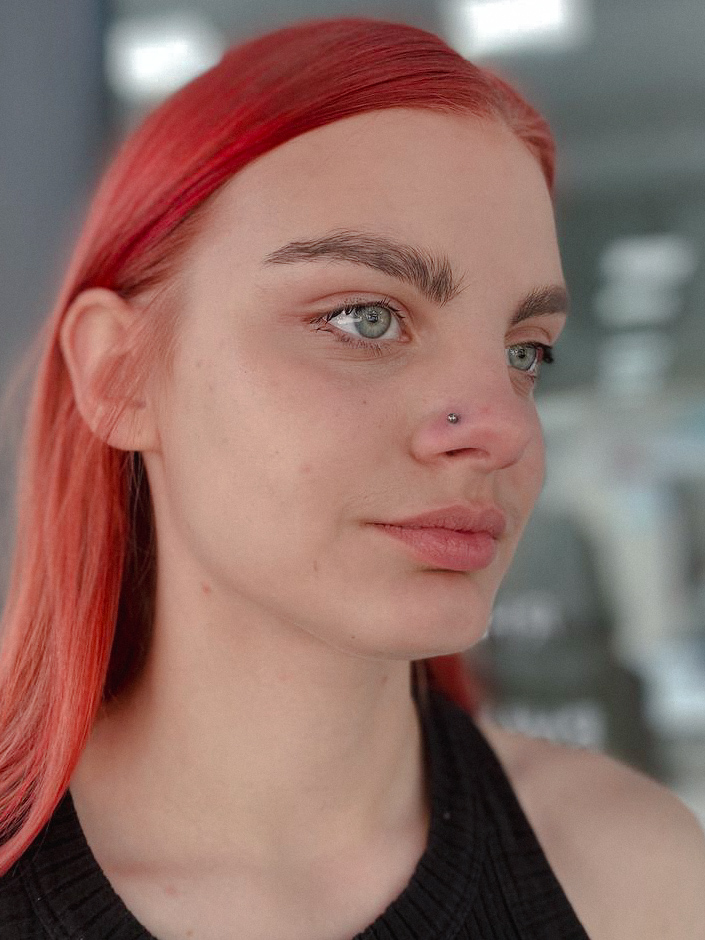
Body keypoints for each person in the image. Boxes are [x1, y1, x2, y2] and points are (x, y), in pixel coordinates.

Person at [0, 16, 703, 940]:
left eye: (524, 352)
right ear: (118, 376)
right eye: (364, 318)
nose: (502, 429)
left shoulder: (637, 878)